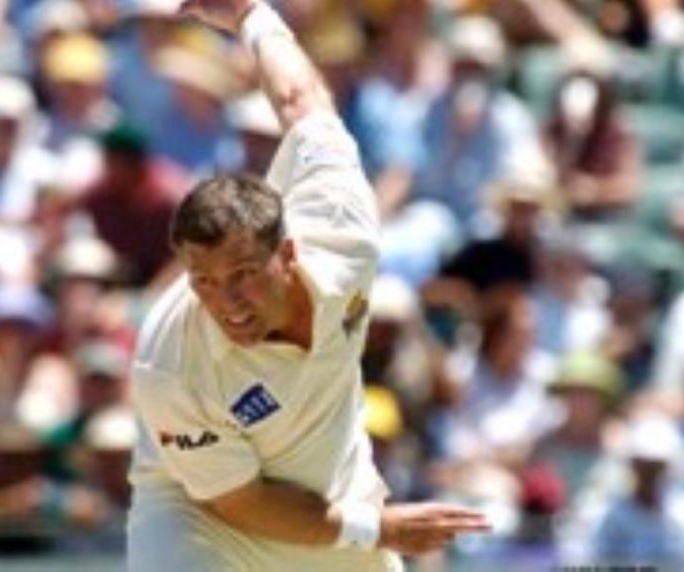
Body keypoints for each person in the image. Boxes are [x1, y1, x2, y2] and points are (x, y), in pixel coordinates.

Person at [127, 2, 489, 570]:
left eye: (243, 275)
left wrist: (252, 17)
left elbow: (303, 103)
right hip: (203, 517)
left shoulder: (343, 230)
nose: (227, 302)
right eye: (205, 282)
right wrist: (378, 528)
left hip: (332, 499)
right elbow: (239, 501)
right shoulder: (171, 359)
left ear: (288, 253)